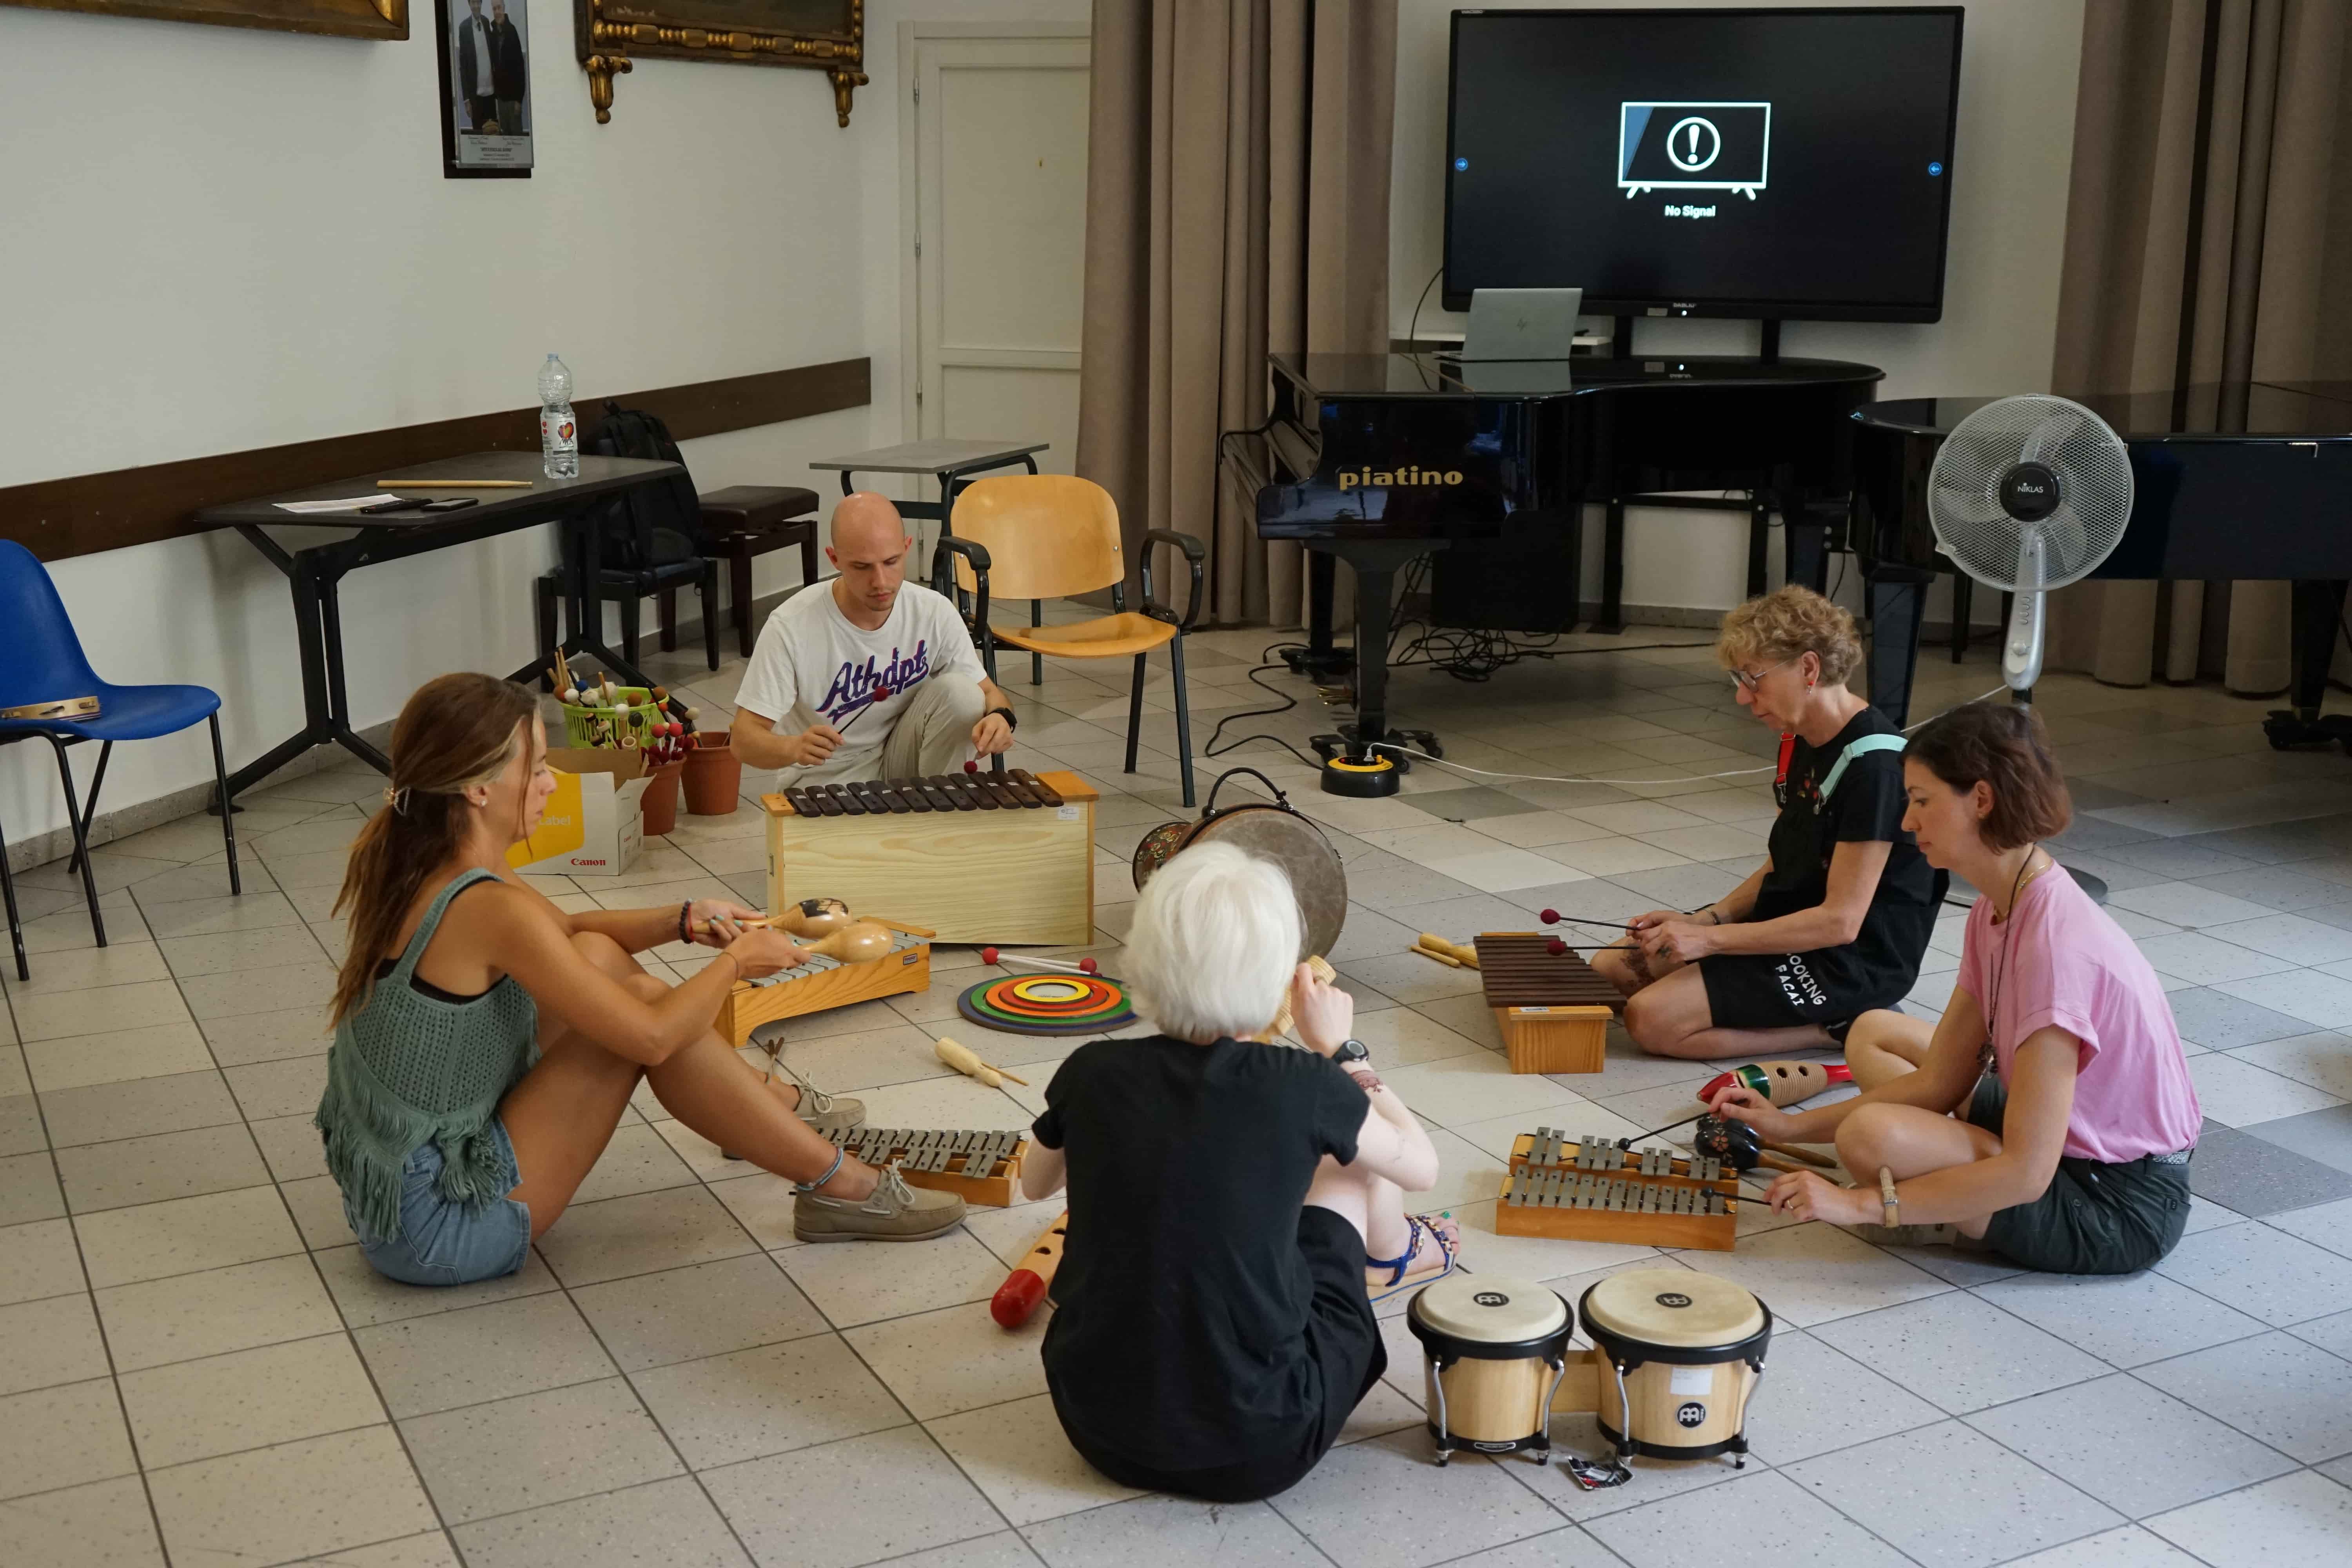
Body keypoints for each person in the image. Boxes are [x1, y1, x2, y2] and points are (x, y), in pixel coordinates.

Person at [314, 673, 964, 1288]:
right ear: (479, 788)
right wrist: (736, 963)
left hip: (399, 1197)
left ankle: (765, 1111)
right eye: (536, 768)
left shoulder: (428, 858)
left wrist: (682, 920)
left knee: (597, 955)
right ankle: (842, 1187)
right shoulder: (487, 906)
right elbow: (651, 1039)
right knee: (648, 1007)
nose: (550, 783)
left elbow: (567, 939)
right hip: (437, 1232)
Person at [1021, 843, 1455, 1503]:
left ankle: (1400, 1251)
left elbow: (1034, 1185)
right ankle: (1398, 1254)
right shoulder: (1306, 1083)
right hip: (1262, 1447)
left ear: (1144, 957)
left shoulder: (1090, 1070)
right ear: (1281, 974)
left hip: (1096, 1428)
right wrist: (1345, 1054)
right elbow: (1420, 1165)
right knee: (1351, 1166)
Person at [1710, 702, 2201, 1274]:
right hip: (2063, 1140)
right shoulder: (2000, 904)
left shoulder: (2057, 949)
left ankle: (1942, 1201)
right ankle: (1944, 1178)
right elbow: (1941, 1080)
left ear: (1982, 800)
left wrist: (1858, 1203)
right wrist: (1791, 1127)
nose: (1907, 822)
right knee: (1874, 1029)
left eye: (1921, 801)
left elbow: (2026, 1172)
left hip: (2115, 1203)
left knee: (1870, 1136)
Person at [1591, 584, 1944, 1059]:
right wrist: (1707, 919)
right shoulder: (1799, 738)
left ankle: (1842, 1027)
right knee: (1611, 969)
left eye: (1753, 678)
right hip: (1793, 925)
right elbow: (1785, 863)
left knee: (1651, 1020)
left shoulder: (1876, 769)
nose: (1741, 696)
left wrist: (1710, 942)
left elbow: (1840, 922)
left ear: (1809, 668)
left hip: (1849, 959)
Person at [731, 493, 1019, 789]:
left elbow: (988, 693)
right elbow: (743, 740)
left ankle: (938, 811)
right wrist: (792, 748)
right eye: (862, 567)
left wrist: (1000, 717)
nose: (881, 582)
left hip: (901, 759)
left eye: (891, 562)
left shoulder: (933, 610)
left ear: (907, 549)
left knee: (964, 693)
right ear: (835, 559)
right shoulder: (791, 626)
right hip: (827, 776)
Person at [454, 0, 497, 134]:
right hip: (475, 98)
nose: (476, 6)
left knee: (493, 134)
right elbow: (464, 67)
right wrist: (466, 100)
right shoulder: (464, 28)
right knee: (479, 136)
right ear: (469, 5)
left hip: (491, 95)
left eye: (478, 3)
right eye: (473, 3)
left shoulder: (486, 22)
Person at [489, 0, 527, 136]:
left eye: (499, 8)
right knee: (505, 138)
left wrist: (519, 100)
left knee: (516, 138)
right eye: (494, 9)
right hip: (501, 99)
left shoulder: (512, 32)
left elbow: (520, 68)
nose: (497, 12)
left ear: (504, 9)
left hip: (513, 99)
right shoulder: (493, 35)